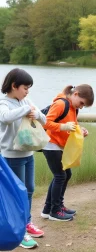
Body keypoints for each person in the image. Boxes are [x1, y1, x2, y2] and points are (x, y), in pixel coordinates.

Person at [0, 68, 46, 249]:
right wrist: (26, 108)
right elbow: (5, 118)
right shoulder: (4, 103)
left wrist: (36, 113)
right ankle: (20, 232)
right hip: (12, 155)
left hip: (28, 153)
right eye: (25, 87)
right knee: (17, 193)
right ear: (14, 86)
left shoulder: (25, 100)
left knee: (29, 189)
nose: (27, 91)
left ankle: (27, 222)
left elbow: (42, 118)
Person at [41, 84, 94, 221]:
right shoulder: (60, 104)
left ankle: (49, 208)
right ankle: (55, 211)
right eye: (81, 103)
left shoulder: (73, 108)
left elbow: (73, 125)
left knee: (65, 174)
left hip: (60, 146)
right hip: (50, 144)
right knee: (60, 176)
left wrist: (80, 130)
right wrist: (63, 127)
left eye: (84, 106)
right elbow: (46, 122)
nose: (81, 107)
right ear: (75, 94)